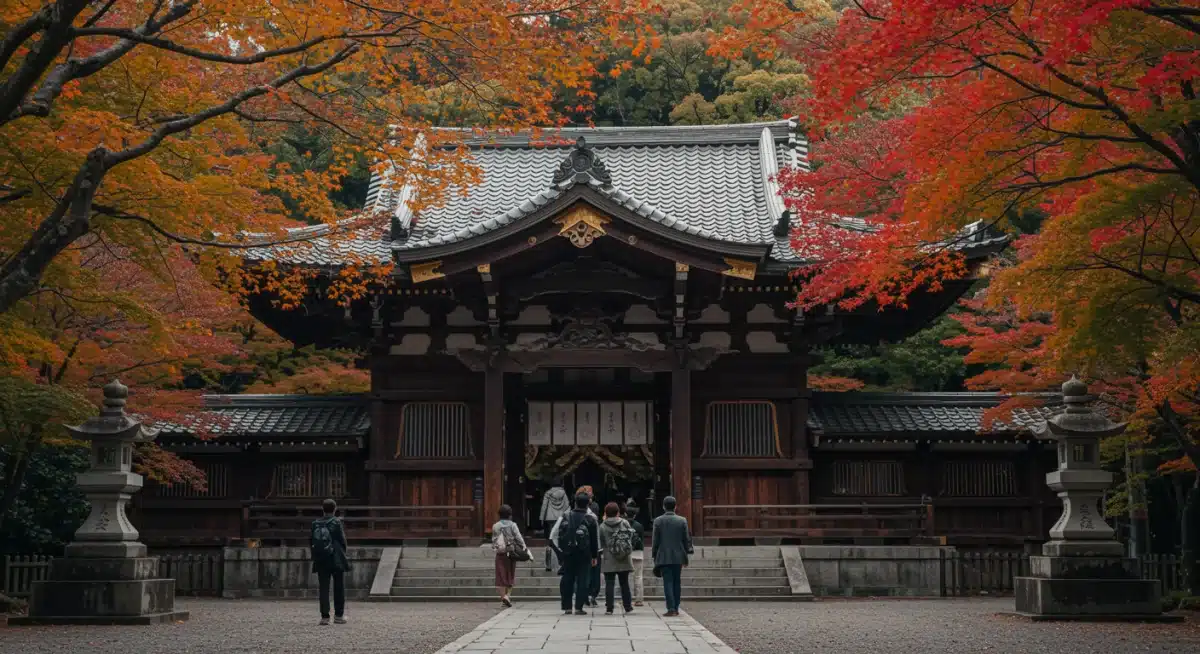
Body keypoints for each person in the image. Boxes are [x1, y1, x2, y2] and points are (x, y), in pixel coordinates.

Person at [556, 492, 599, 615]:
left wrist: (561, 551)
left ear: (575, 502)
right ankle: (579, 606)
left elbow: (559, 535)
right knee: (583, 579)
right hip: (584, 553)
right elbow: (594, 540)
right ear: (588, 504)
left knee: (567, 577)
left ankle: (567, 606)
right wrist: (595, 556)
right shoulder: (590, 519)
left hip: (568, 551)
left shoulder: (566, 516)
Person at [652, 495, 692, 617]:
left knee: (667, 582)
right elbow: (686, 539)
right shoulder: (682, 520)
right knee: (676, 581)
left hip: (663, 555)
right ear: (675, 507)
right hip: (679, 555)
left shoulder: (658, 521)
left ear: (663, 506)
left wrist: (654, 555)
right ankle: (676, 606)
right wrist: (687, 554)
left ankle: (670, 608)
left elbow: (655, 541)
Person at [311, 498, 350, 625]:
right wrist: (343, 553)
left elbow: (311, 541)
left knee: (324, 588)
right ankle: (339, 616)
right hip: (336, 558)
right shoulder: (336, 522)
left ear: (323, 509)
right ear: (335, 509)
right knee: (339, 587)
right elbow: (342, 540)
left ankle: (325, 617)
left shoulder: (315, 523)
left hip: (321, 559)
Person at [597, 501, 635, 615]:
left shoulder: (602, 526)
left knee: (609, 583)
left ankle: (609, 608)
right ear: (618, 512)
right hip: (624, 556)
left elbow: (602, 542)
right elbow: (630, 537)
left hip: (609, 556)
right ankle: (627, 606)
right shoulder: (625, 523)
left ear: (606, 513)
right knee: (624, 582)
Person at [491, 504, 526, 607]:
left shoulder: (495, 526)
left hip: (500, 552)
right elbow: (518, 537)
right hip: (511, 553)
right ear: (510, 515)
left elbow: (494, 540)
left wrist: (495, 548)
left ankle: (503, 598)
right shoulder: (513, 525)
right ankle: (508, 596)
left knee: (500, 576)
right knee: (510, 574)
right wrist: (523, 546)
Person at [539, 477, 570, 572]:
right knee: (560, 538)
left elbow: (544, 506)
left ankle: (549, 563)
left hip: (550, 518)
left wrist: (541, 518)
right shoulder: (563, 493)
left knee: (551, 538)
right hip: (561, 518)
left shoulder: (548, 493)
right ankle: (561, 561)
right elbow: (567, 505)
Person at [623, 500, 647, 607]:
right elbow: (641, 539)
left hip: (626, 552)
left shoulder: (623, 525)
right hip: (638, 552)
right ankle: (639, 599)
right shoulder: (639, 526)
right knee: (638, 576)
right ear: (635, 514)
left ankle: (628, 598)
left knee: (626, 577)